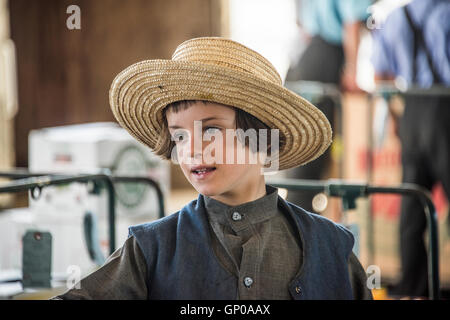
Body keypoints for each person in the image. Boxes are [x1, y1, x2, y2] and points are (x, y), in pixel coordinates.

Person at [52, 37, 372, 300]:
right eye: (179, 134)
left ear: (262, 137)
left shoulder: (330, 248)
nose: (191, 149)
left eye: (211, 130)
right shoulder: (151, 249)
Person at [371, 0, 450, 298]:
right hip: (445, 110)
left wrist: (395, 117)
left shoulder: (395, 17)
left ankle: (415, 289)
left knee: (412, 207)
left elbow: (380, 74)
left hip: (412, 112)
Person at [285, 0, 372, 212]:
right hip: (326, 58)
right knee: (315, 149)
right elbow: (351, 23)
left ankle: (297, 215)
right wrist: (352, 71)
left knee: (303, 146)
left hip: (307, 57)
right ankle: (298, 222)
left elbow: (304, 28)